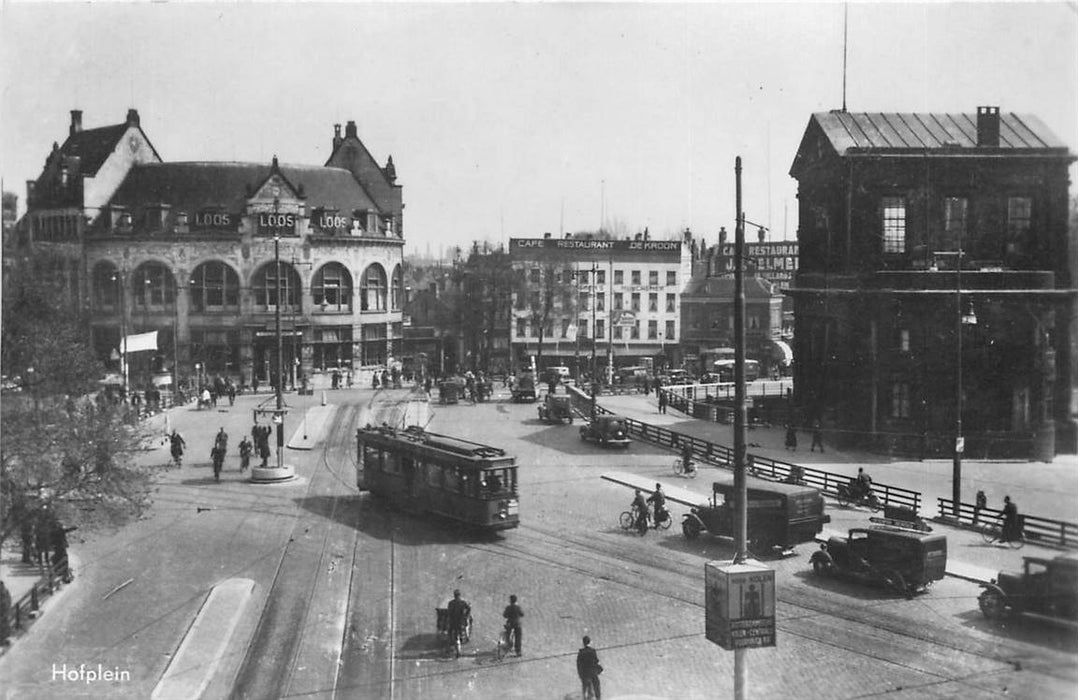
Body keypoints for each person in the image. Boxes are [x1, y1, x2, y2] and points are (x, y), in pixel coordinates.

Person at [577, 635, 602, 700]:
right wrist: (599, 669)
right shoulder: (592, 651)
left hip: (585, 674)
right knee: (596, 687)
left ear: (583, 643)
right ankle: (598, 698)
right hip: (593, 673)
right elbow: (596, 661)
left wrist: (580, 675)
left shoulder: (581, 652)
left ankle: (586, 698)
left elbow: (579, 665)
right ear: (589, 642)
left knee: (585, 688)